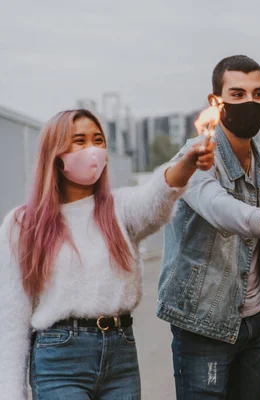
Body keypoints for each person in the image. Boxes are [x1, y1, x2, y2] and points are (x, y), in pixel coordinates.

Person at [0, 109, 215, 400]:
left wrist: (187, 163)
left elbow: (156, 195)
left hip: (120, 352)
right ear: (55, 152)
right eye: (79, 140)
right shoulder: (22, 224)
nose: (92, 149)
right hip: (58, 358)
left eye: (98, 140)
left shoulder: (119, 208)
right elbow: (12, 317)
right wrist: (11, 393)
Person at [157, 55, 260, 400]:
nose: (249, 103)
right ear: (215, 102)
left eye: (258, 94)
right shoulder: (194, 156)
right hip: (203, 326)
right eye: (237, 94)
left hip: (257, 323)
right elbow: (217, 207)